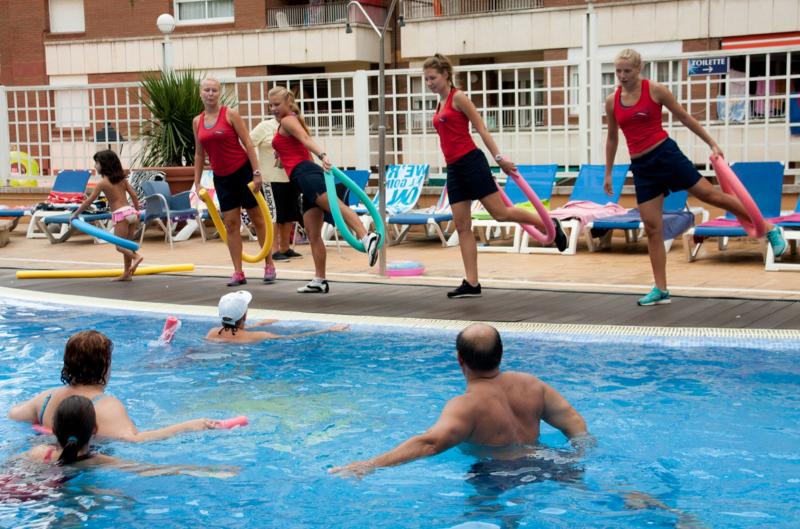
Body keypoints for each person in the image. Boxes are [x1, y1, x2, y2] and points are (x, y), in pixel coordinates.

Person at [605, 48, 787, 306]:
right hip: (642, 167)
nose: (622, 76)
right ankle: (661, 289)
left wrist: (711, 143)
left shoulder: (655, 90)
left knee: (712, 195)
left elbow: (685, 117)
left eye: (627, 71)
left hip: (666, 156)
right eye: (618, 71)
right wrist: (609, 172)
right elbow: (612, 137)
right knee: (653, 229)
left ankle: (769, 229)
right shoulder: (612, 100)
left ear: (638, 69)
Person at [329, 323, 589, 477]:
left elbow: (430, 444)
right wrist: (581, 453)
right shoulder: (531, 384)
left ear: (459, 359)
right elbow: (575, 423)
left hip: (494, 474)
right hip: (545, 462)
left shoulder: (466, 405)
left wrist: (369, 465)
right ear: (501, 354)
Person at [423, 54, 568, 299]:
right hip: (454, 169)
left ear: (446, 75)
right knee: (462, 226)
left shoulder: (458, 97)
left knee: (500, 213)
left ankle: (548, 224)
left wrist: (499, 159)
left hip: (471, 162)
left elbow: (481, 129)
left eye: (432, 78)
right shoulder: (440, 103)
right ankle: (472, 283)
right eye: (426, 79)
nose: (429, 83)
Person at [8, 330, 227, 442]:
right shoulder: (105, 405)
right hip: (79, 474)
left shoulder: (46, 398)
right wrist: (188, 425)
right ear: (104, 366)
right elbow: (134, 440)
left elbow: (14, 414)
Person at [268, 85, 380, 294]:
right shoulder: (289, 121)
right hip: (303, 177)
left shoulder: (287, 120)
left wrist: (323, 155)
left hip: (305, 175)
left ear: (287, 103)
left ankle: (366, 236)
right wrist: (282, 155)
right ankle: (320, 280)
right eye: (271, 105)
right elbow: (299, 149)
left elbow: (306, 140)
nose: (273, 109)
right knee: (313, 233)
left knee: (335, 206)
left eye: (277, 105)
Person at [21, 396, 237, 479]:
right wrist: (208, 471)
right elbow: (149, 469)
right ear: (94, 430)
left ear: (53, 430)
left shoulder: (40, 452)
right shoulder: (96, 460)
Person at [192, 78, 276, 286]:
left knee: (258, 219)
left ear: (219, 93)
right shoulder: (197, 121)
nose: (210, 93)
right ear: (201, 93)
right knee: (231, 224)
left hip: (243, 172)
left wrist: (256, 172)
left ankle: (269, 264)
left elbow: (248, 143)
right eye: (206, 90)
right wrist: (197, 182)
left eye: (214, 90)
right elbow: (200, 154)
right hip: (222, 178)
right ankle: (238, 271)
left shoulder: (230, 114)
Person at [70, 150, 143, 281]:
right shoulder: (122, 179)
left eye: (96, 163)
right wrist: (137, 213)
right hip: (131, 212)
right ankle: (127, 274)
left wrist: (75, 214)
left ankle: (136, 257)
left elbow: (89, 201)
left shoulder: (103, 183)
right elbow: (134, 195)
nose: (95, 166)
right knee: (127, 245)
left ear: (104, 164)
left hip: (121, 215)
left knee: (119, 246)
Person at [250, 115, 303, 261]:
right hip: (270, 179)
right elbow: (247, 145)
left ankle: (285, 248)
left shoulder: (295, 125)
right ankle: (273, 250)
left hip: (291, 176)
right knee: (272, 215)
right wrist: (255, 169)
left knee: (289, 215)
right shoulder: (265, 126)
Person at [205, 290, 349, 343]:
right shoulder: (258, 336)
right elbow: (292, 337)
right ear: (245, 315)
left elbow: (235, 331)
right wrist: (328, 330)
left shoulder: (212, 333)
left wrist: (259, 324)